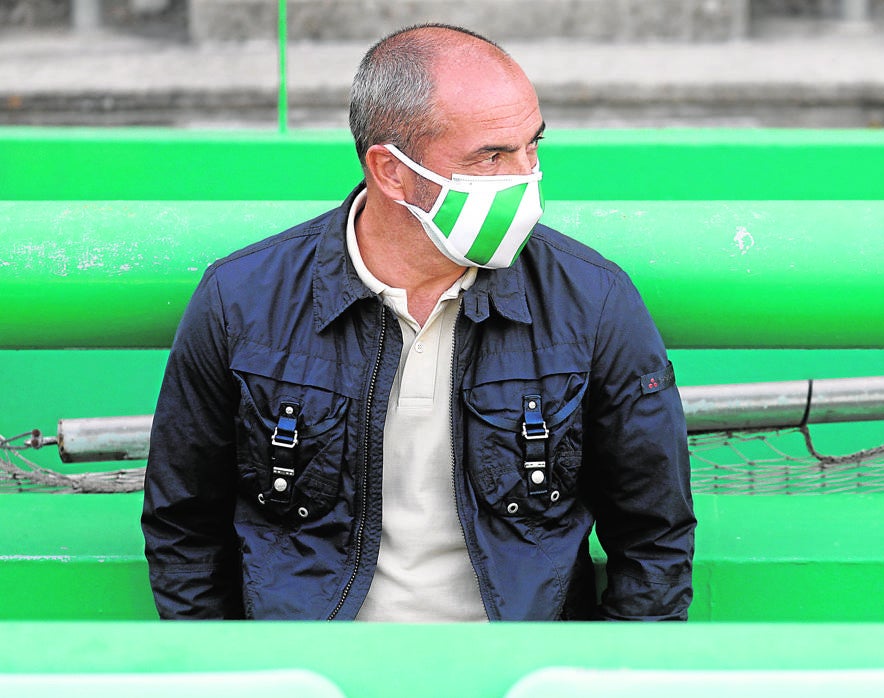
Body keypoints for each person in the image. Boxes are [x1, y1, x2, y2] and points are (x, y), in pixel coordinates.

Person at [141, 23, 695, 621]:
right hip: (315, 670)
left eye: (532, 145)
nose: (525, 176)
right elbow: (184, 527)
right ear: (391, 171)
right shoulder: (241, 300)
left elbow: (654, 538)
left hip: (516, 671)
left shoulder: (592, 300)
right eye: (491, 155)